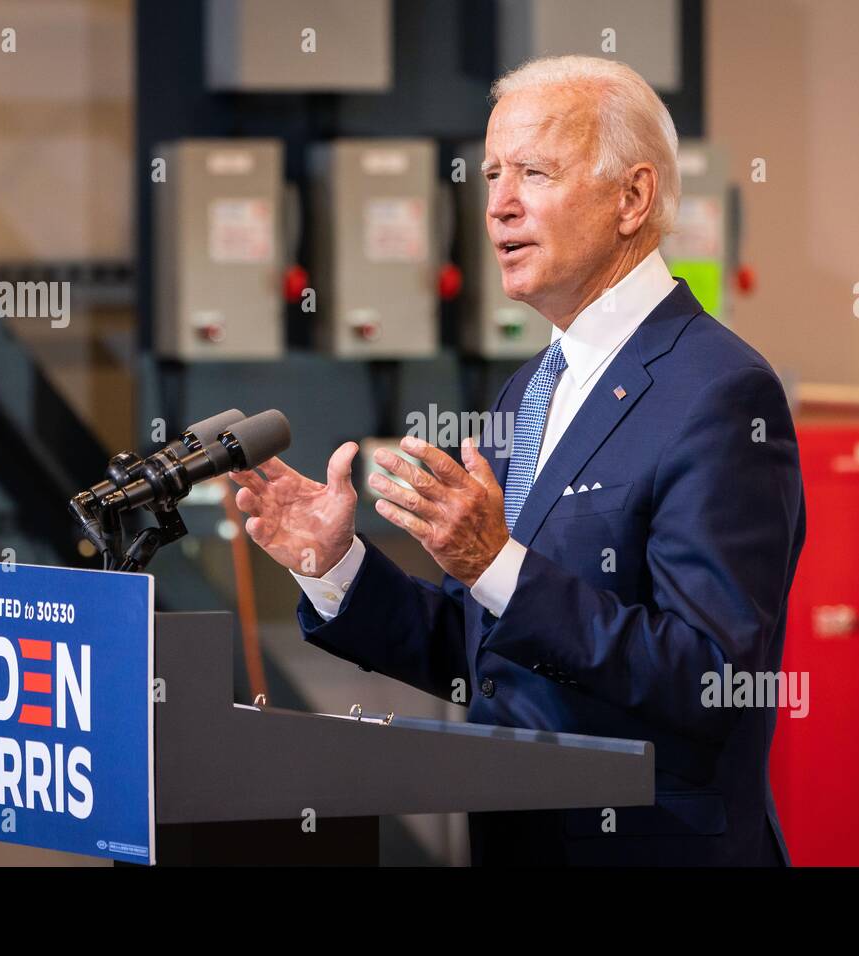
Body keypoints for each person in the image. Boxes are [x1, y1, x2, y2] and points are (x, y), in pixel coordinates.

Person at [232, 55, 806, 866]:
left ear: (632, 199)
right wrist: (335, 567)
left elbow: (709, 677)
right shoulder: (528, 391)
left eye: (534, 173)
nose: (499, 204)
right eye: (493, 174)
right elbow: (489, 654)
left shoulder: (720, 392)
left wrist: (497, 561)